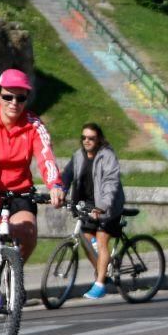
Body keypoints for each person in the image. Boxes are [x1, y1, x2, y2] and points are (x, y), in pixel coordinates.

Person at [0, 69, 64, 299]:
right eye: (8, 96)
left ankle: (6, 276)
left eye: (21, 98)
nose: (14, 103)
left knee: (28, 232)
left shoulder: (34, 124)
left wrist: (55, 185)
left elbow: (46, 155)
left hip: (19, 191)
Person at [60, 123, 125, 299]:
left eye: (91, 138)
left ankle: (100, 283)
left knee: (102, 240)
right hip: (87, 205)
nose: (86, 141)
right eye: (84, 138)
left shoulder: (107, 156)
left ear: (98, 139)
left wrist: (103, 206)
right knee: (86, 240)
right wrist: (60, 191)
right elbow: (66, 175)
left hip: (108, 205)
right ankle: (104, 269)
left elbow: (111, 183)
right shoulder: (78, 156)